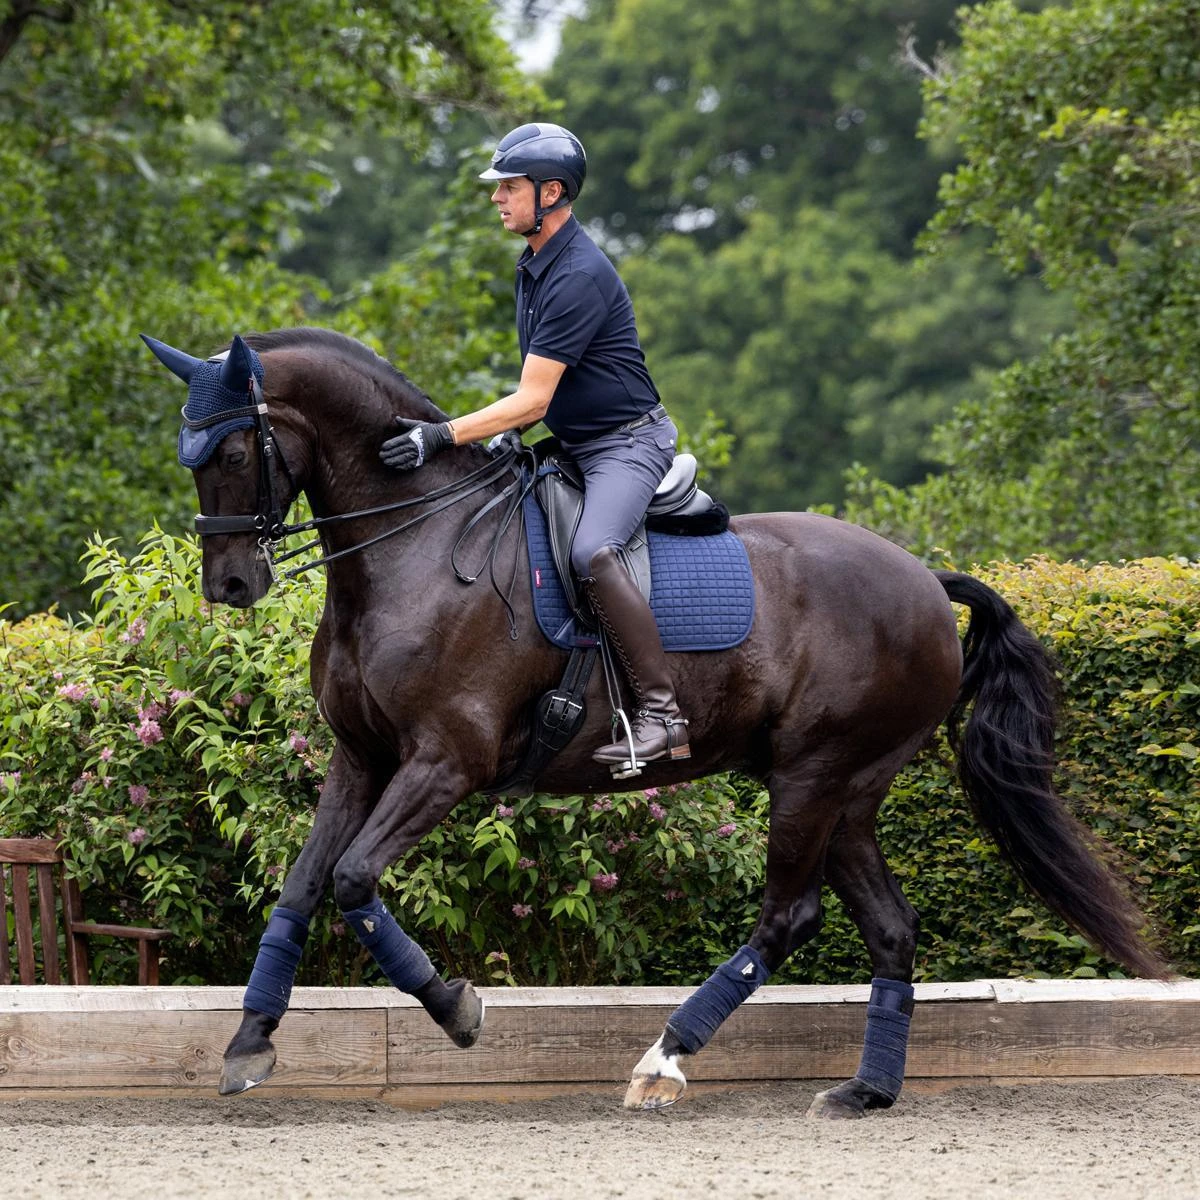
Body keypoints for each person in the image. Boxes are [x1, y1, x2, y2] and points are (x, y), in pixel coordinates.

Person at [380, 121, 690, 767]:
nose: (497, 198)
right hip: (574, 443)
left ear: (551, 192)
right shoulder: (536, 263)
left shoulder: (576, 272)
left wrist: (441, 435)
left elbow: (534, 397)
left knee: (594, 553)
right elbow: (543, 388)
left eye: (509, 187)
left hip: (626, 445)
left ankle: (663, 715)